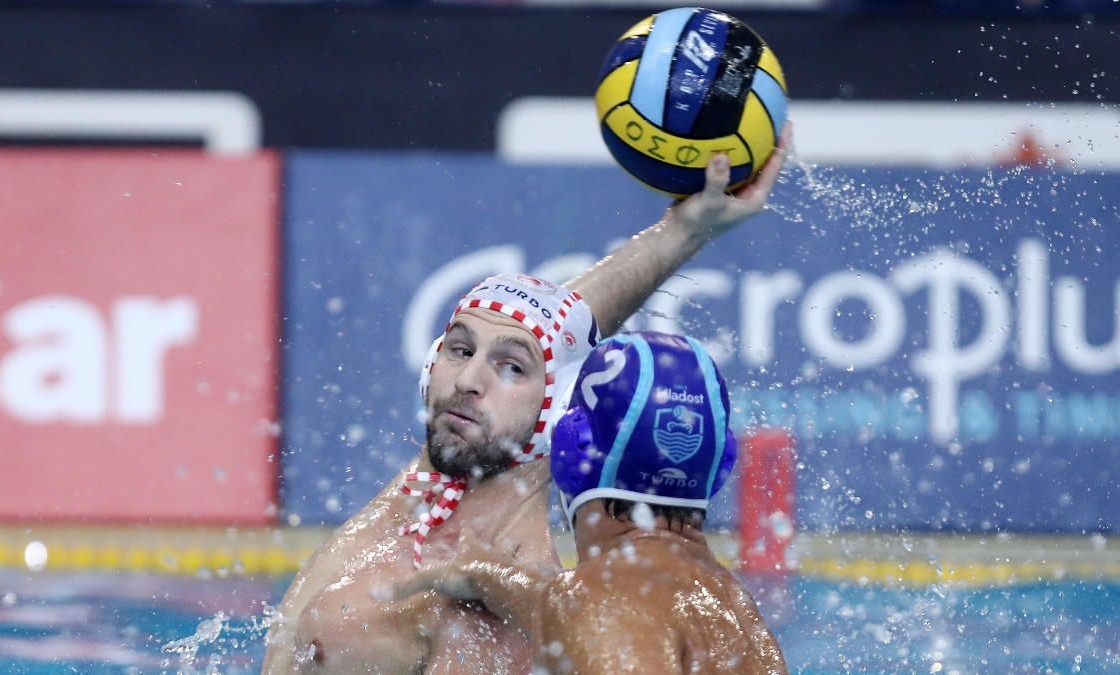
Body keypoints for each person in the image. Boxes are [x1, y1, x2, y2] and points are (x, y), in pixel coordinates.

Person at [261, 140, 789, 674]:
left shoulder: (495, 621)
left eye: (511, 368)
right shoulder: (428, 504)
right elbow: (554, 327)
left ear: (557, 412)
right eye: (460, 350)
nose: (468, 380)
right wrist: (684, 230)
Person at [387, 332, 789, 675]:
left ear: (571, 452)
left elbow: (601, 617)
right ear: (719, 468)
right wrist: (486, 574)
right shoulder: (735, 608)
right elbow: (573, 610)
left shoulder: (603, 605)